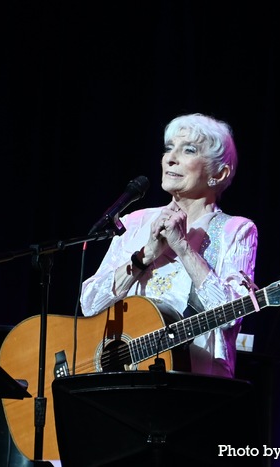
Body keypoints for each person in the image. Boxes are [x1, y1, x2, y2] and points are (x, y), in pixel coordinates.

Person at [80, 113, 258, 378]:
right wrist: (144, 256)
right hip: (126, 381)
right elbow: (90, 303)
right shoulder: (135, 222)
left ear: (219, 173)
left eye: (188, 150)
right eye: (168, 148)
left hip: (196, 384)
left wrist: (184, 248)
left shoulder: (237, 230)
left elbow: (232, 315)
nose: (170, 158)